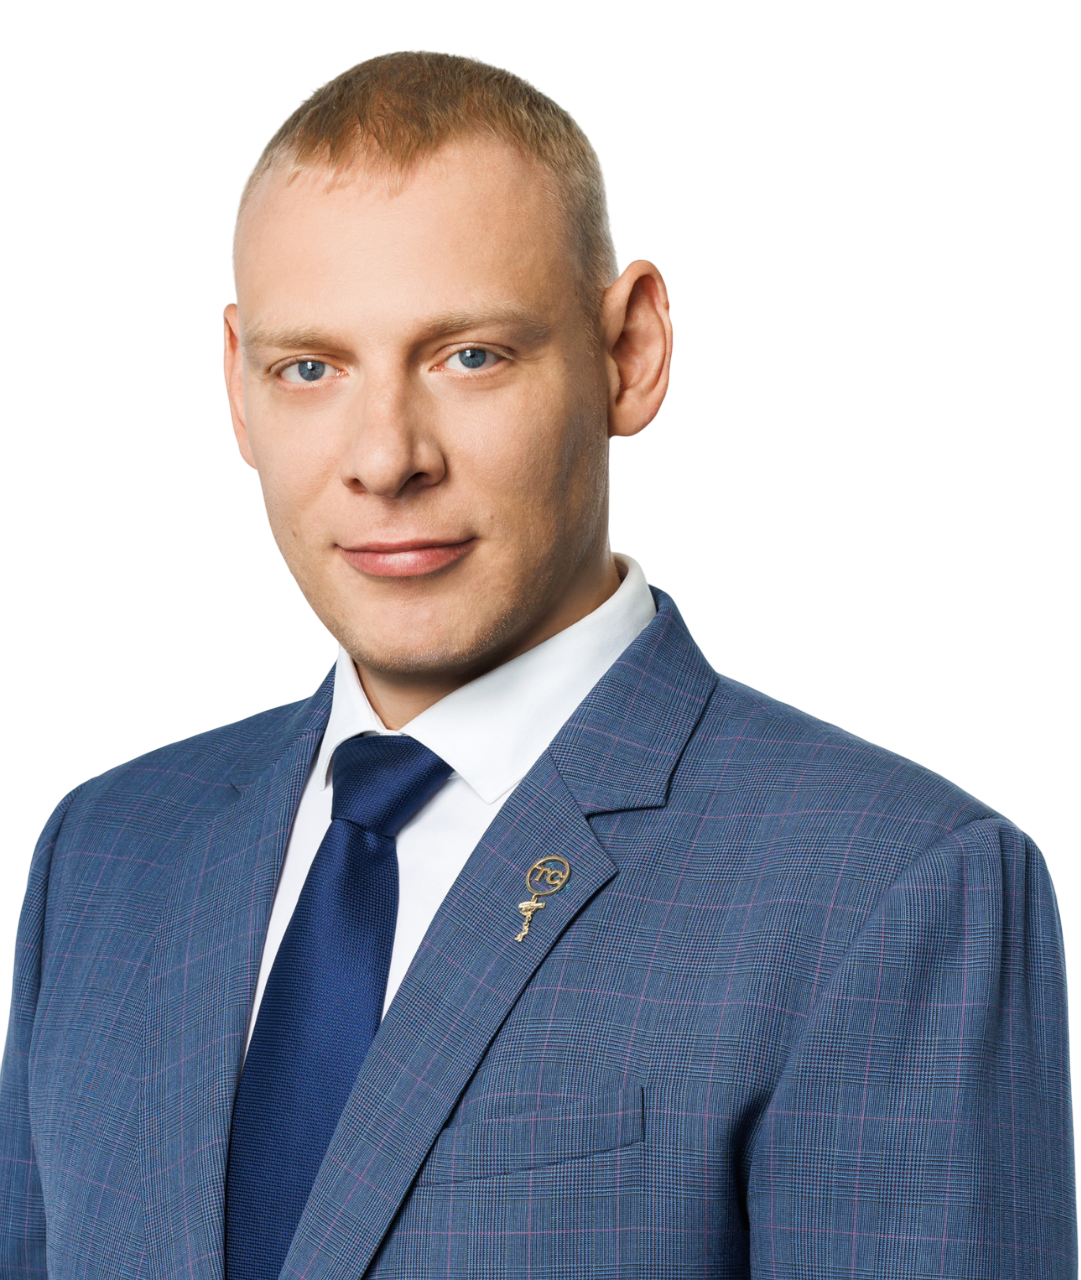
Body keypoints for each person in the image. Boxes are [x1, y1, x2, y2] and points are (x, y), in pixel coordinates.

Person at [1, 49, 1074, 1280]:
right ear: (238, 386)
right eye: (312, 367)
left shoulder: (890, 884)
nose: (385, 457)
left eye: (469, 355)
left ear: (631, 351)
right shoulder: (104, 854)